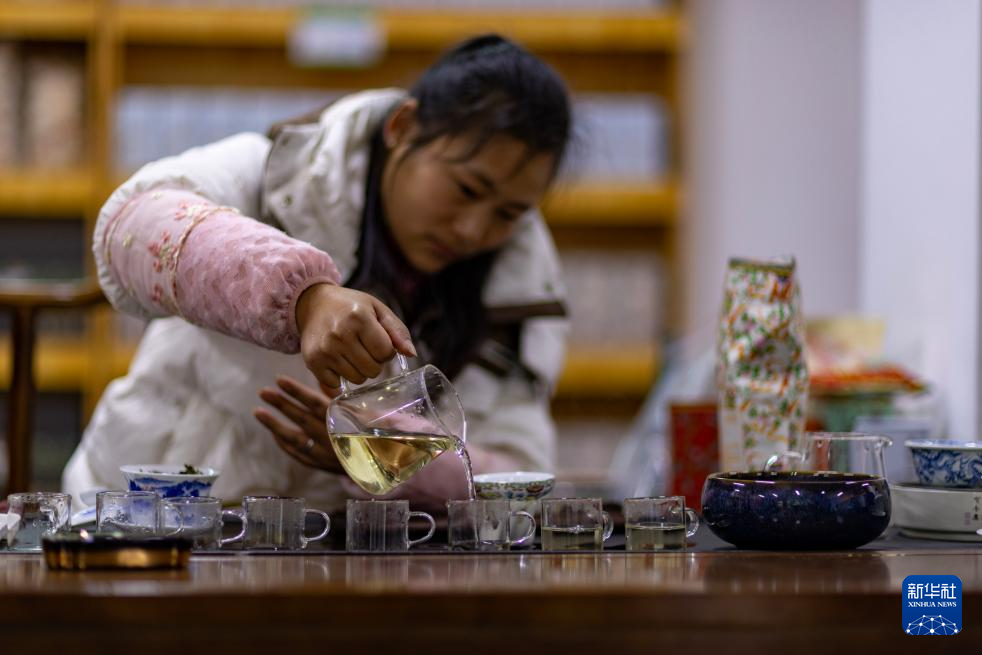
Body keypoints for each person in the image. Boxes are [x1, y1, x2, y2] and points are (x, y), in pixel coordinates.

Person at [62, 34, 571, 512]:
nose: (472, 229)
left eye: (508, 213)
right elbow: (131, 226)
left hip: (331, 547)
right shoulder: (277, 174)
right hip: (147, 517)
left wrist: (394, 457)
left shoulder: (519, 286)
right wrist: (304, 297)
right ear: (403, 127)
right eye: (466, 189)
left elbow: (522, 476)